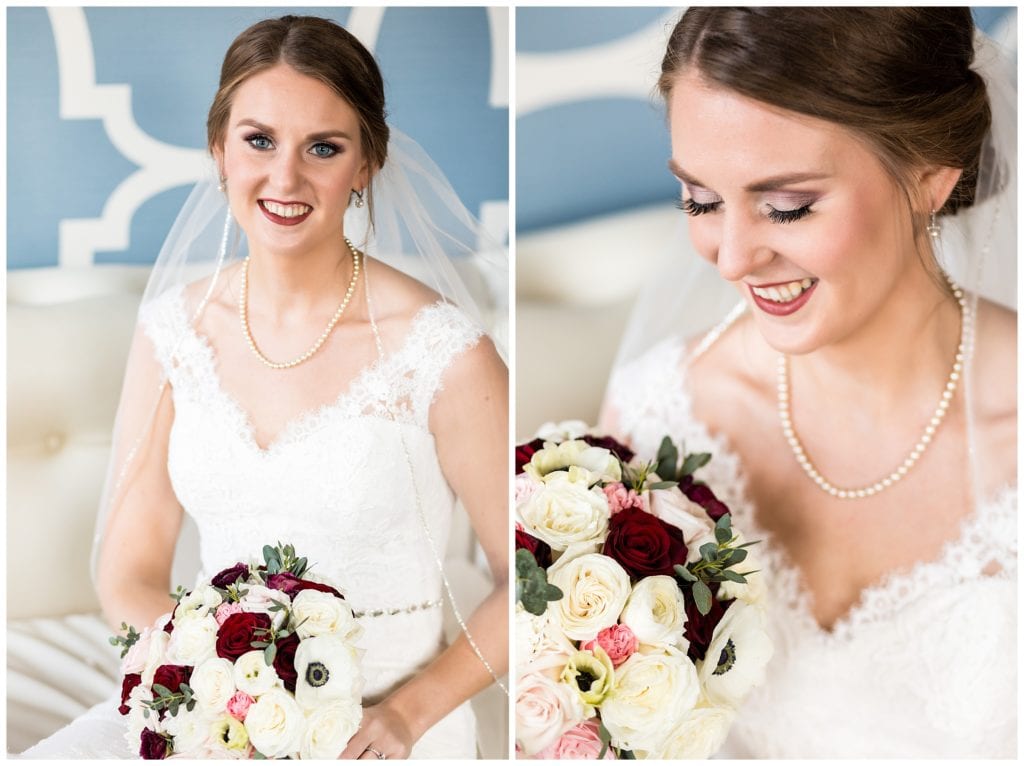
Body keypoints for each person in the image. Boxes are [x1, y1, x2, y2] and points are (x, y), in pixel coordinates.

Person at [23, 15, 508, 759]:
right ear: (219, 149)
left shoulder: (444, 351)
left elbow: (531, 576)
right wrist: (217, 690)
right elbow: (129, 572)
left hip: (382, 730)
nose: (285, 178)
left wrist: (408, 716)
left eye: (323, 147)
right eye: (258, 141)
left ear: (367, 163)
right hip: (213, 714)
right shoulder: (170, 335)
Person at [601, 7, 1015, 758]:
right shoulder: (660, 412)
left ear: (929, 176)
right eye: (701, 200)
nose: (730, 259)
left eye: (786, 207)